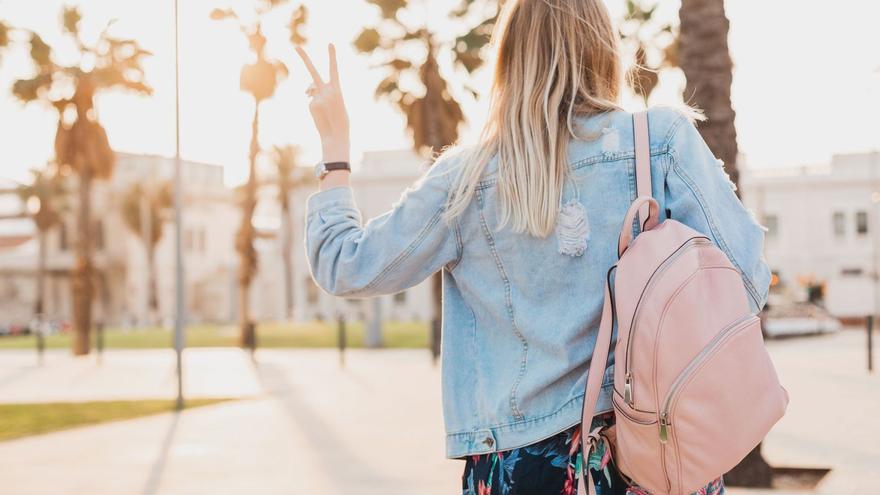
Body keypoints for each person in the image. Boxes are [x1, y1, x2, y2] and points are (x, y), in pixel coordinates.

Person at [295, 1, 769, 493]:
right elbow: (747, 282)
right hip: (657, 451)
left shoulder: (466, 180)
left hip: (522, 464)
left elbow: (343, 264)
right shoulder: (662, 142)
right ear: (603, 47)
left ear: (509, 58)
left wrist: (335, 150)